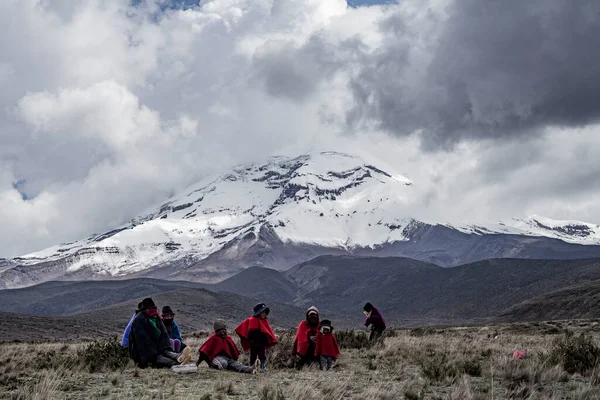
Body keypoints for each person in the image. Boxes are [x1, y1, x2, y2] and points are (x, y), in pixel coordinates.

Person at [128, 297, 191, 368]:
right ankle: (176, 362)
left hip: (157, 350)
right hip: (145, 355)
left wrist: (166, 349)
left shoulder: (156, 318)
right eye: (151, 310)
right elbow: (144, 344)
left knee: (167, 353)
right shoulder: (139, 321)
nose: (153, 312)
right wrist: (159, 353)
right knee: (166, 360)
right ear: (145, 311)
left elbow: (164, 336)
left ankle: (178, 357)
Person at [235, 303, 278, 373]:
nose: (264, 314)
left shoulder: (264, 321)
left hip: (262, 343)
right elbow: (249, 331)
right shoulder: (252, 320)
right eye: (262, 312)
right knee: (253, 355)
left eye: (265, 312)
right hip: (254, 342)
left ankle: (262, 368)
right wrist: (251, 339)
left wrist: (267, 340)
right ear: (259, 313)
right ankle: (252, 368)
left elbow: (267, 331)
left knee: (262, 355)